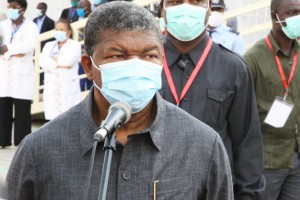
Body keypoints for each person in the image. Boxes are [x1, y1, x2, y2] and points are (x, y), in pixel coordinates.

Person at [6, 2, 233, 199]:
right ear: (88, 67)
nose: (136, 65)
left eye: (149, 55)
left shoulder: (203, 146)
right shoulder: (39, 151)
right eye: (118, 56)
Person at [159, 0, 265, 199]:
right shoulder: (144, 65)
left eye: (196, 1)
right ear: (162, 9)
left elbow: (247, 146)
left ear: (209, 8)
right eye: (175, 1)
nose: (186, 7)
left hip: (214, 191)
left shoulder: (233, 68)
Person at [243, 0, 300, 199]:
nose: (298, 18)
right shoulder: (252, 59)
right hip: (267, 160)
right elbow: (242, 114)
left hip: (296, 157)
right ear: (274, 17)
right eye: (292, 13)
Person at [0, 0, 39, 148]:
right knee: (3, 106)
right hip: (4, 71)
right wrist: (14, 52)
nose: (11, 10)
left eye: (14, 7)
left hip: (22, 72)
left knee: (22, 108)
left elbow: (29, 47)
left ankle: (21, 142)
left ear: (22, 9)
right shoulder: (3, 25)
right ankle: (2, 140)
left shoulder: (31, 27)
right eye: (9, 7)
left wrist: (8, 49)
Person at [39, 18, 81, 121]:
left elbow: (69, 62)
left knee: (69, 119)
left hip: (68, 88)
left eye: (62, 30)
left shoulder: (74, 45)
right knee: (52, 121)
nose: (59, 32)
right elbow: (42, 62)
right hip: (52, 88)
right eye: (57, 29)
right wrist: (58, 63)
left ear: (69, 32)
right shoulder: (48, 46)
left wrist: (53, 61)